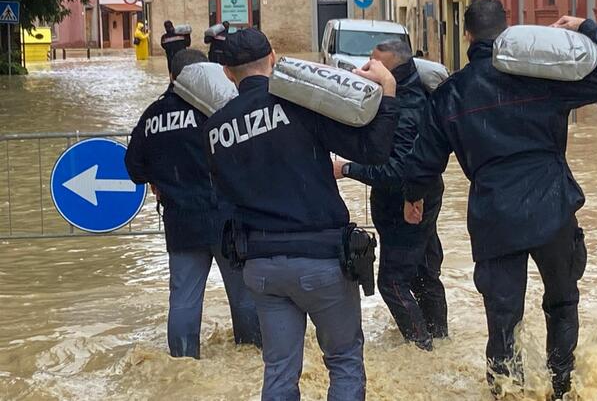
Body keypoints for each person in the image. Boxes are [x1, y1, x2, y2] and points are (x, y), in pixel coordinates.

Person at [402, 0, 597, 399]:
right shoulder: (543, 77)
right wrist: (585, 26)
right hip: (552, 206)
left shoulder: (451, 95)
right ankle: (562, 386)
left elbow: (422, 162)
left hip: (494, 216)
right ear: (507, 30)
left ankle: (508, 393)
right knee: (561, 302)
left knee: (502, 320)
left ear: (467, 36)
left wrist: (413, 198)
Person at [204, 28, 399, 401]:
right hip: (321, 260)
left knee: (279, 371)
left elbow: (221, 196)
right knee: (343, 361)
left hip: (261, 267)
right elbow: (375, 150)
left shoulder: (214, 129)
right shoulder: (301, 104)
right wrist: (387, 92)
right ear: (274, 57)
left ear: (227, 72)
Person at [125, 49, 261, 358]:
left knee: (183, 300)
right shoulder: (221, 107)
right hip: (229, 219)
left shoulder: (152, 116)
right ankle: (252, 361)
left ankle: (183, 366)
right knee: (244, 297)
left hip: (182, 221)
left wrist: (159, 180)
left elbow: (134, 169)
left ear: (172, 77)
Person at [333, 40, 447, 351]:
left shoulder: (406, 107)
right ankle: (438, 341)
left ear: (392, 72)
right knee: (424, 273)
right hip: (421, 194)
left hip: (406, 201)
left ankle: (422, 347)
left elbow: (397, 171)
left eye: (375, 65)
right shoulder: (404, 94)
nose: (367, 69)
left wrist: (346, 169)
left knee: (392, 282)